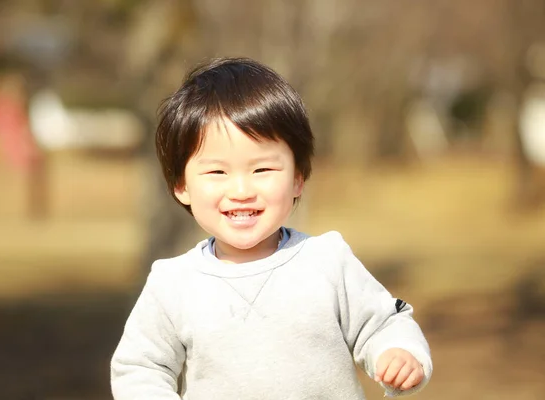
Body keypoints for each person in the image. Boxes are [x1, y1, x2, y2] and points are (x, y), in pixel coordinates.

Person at [110, 57, 432, 399]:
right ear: (181, 186)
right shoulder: (172, 284)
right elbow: (141, 368)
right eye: (217, 172)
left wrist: (399, 353)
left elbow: (383, 323)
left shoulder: (326, 261)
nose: (241, 191)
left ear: (297, 178)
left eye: (262, 169)